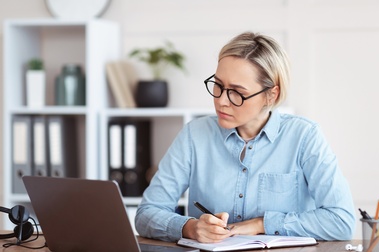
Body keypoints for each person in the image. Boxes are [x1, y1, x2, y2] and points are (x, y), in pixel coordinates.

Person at [135, 31, 356, 243]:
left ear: (271, 94)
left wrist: (262, 224)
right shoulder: (194, 135)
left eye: (237, 92)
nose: (221, 101)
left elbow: (341, 221)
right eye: (218, 86)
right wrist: (190, 228)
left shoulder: (304, 137)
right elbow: (147, 213)